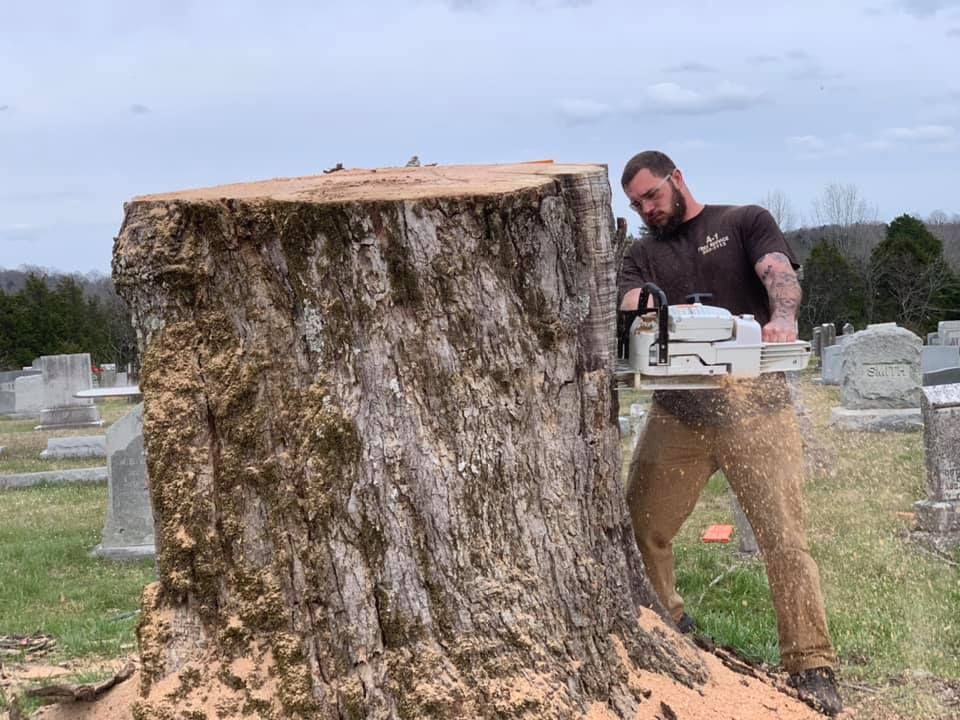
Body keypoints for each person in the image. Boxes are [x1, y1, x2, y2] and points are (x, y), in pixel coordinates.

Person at [618, 150, 842, 717]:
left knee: (785, 541)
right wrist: (644, 305)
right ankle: (671, 626)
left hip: (757, 410)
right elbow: (628, 299)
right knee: (641, 525)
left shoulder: (741, 221)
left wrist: (782, 318)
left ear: (677, 179)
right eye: (637, 203)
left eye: (652, 195)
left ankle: (811, 662)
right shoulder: (643, 251)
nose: (647, 208)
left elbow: (779, 274)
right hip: (680, 413)